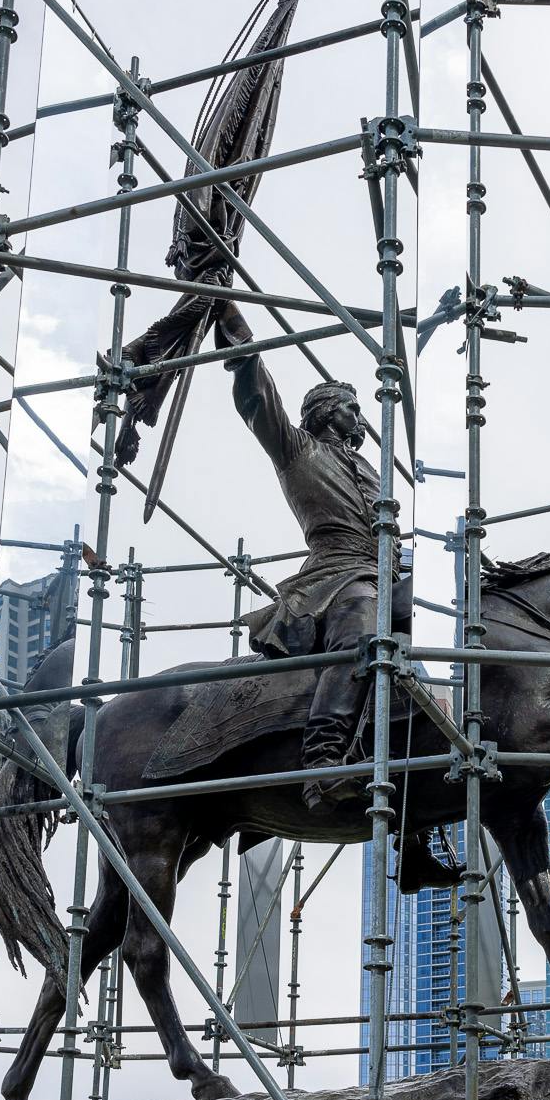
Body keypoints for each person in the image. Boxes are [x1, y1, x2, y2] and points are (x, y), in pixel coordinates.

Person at [220, 330, 410, 815]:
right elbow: (258, 398)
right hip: (338, 574)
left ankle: (417, 829)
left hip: (387, 572)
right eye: (351, 406)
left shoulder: (369, 467)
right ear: (327, 411)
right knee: (360, 631)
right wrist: (236, 330)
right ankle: (323, 762)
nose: (360, 415)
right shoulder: (299, 450)